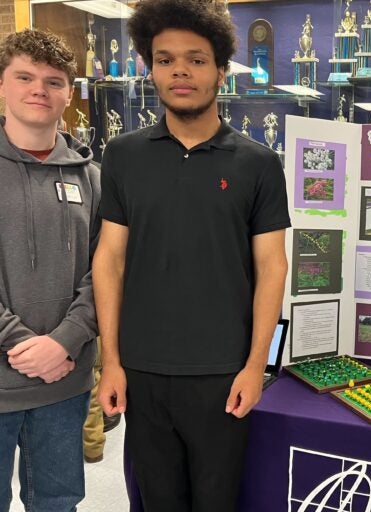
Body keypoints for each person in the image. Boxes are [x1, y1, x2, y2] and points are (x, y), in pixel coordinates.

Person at [93, 0, 290, 510]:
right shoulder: (123, 155)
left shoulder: (259, 163)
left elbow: (272, 267)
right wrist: (111, 362)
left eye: (196, 59)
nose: (180, 70)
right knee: (156, 501)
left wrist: (254, 367)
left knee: (216, 501)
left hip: (223, 375)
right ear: (150, 67)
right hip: (143, 371)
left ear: (221, 71)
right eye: (165, 59)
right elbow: (110, 259)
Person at [0, 29, 100, 510]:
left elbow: (108, 271)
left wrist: (65, 341)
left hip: (64, 379)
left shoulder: (93, 178)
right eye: (24, 76)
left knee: (57, 502)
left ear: (68, 94)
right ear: (2, 86)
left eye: (53, 81)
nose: (39, 89)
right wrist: (19, 342)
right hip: (0, 382)